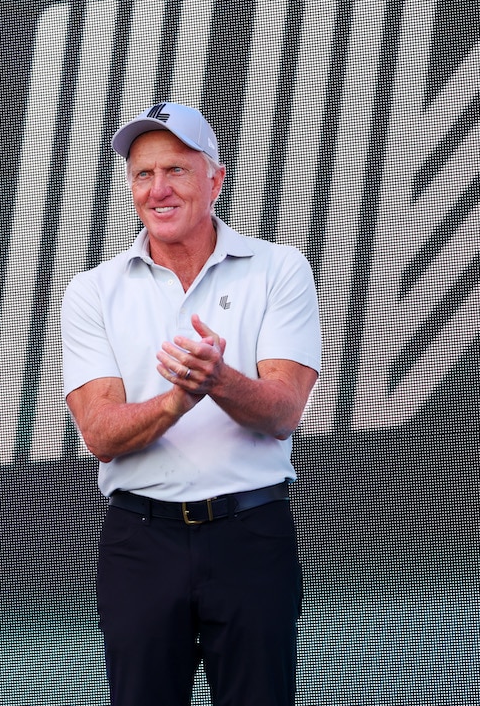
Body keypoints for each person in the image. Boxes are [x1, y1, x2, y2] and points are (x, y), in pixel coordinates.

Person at [62, 102, 322, 706]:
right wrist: (182, 398)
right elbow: (100, 433)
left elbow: (284, 411)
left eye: (176, 170)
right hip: (140, 540)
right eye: (142, 175)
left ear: (215, 178)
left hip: (251, 535)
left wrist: (219, 380)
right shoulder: (94, 290)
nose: (158, 190)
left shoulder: (277, 268)